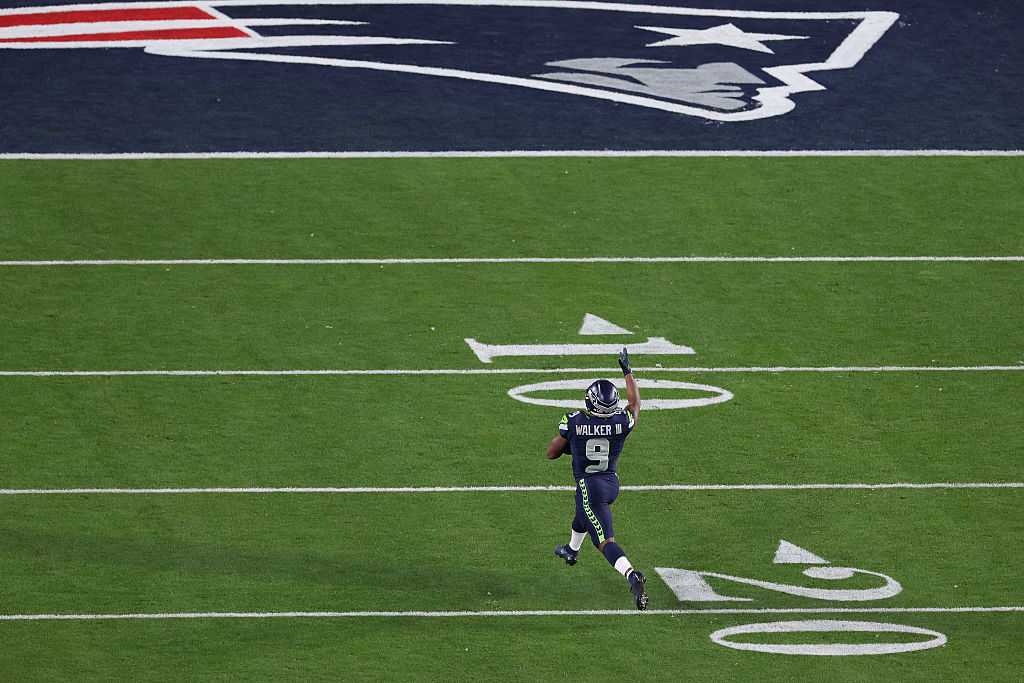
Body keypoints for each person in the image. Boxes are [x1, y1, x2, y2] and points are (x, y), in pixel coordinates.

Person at [545, 347, 647, 610]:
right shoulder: (622, 422)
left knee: (603, 541)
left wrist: (570, 445)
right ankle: (571, 550)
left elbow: (551, 453)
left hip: (590, 485)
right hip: (610, 482)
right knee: (582, 513)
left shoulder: (575, 422)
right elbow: (635, 404)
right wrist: (628, 372)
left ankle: (632, 576)